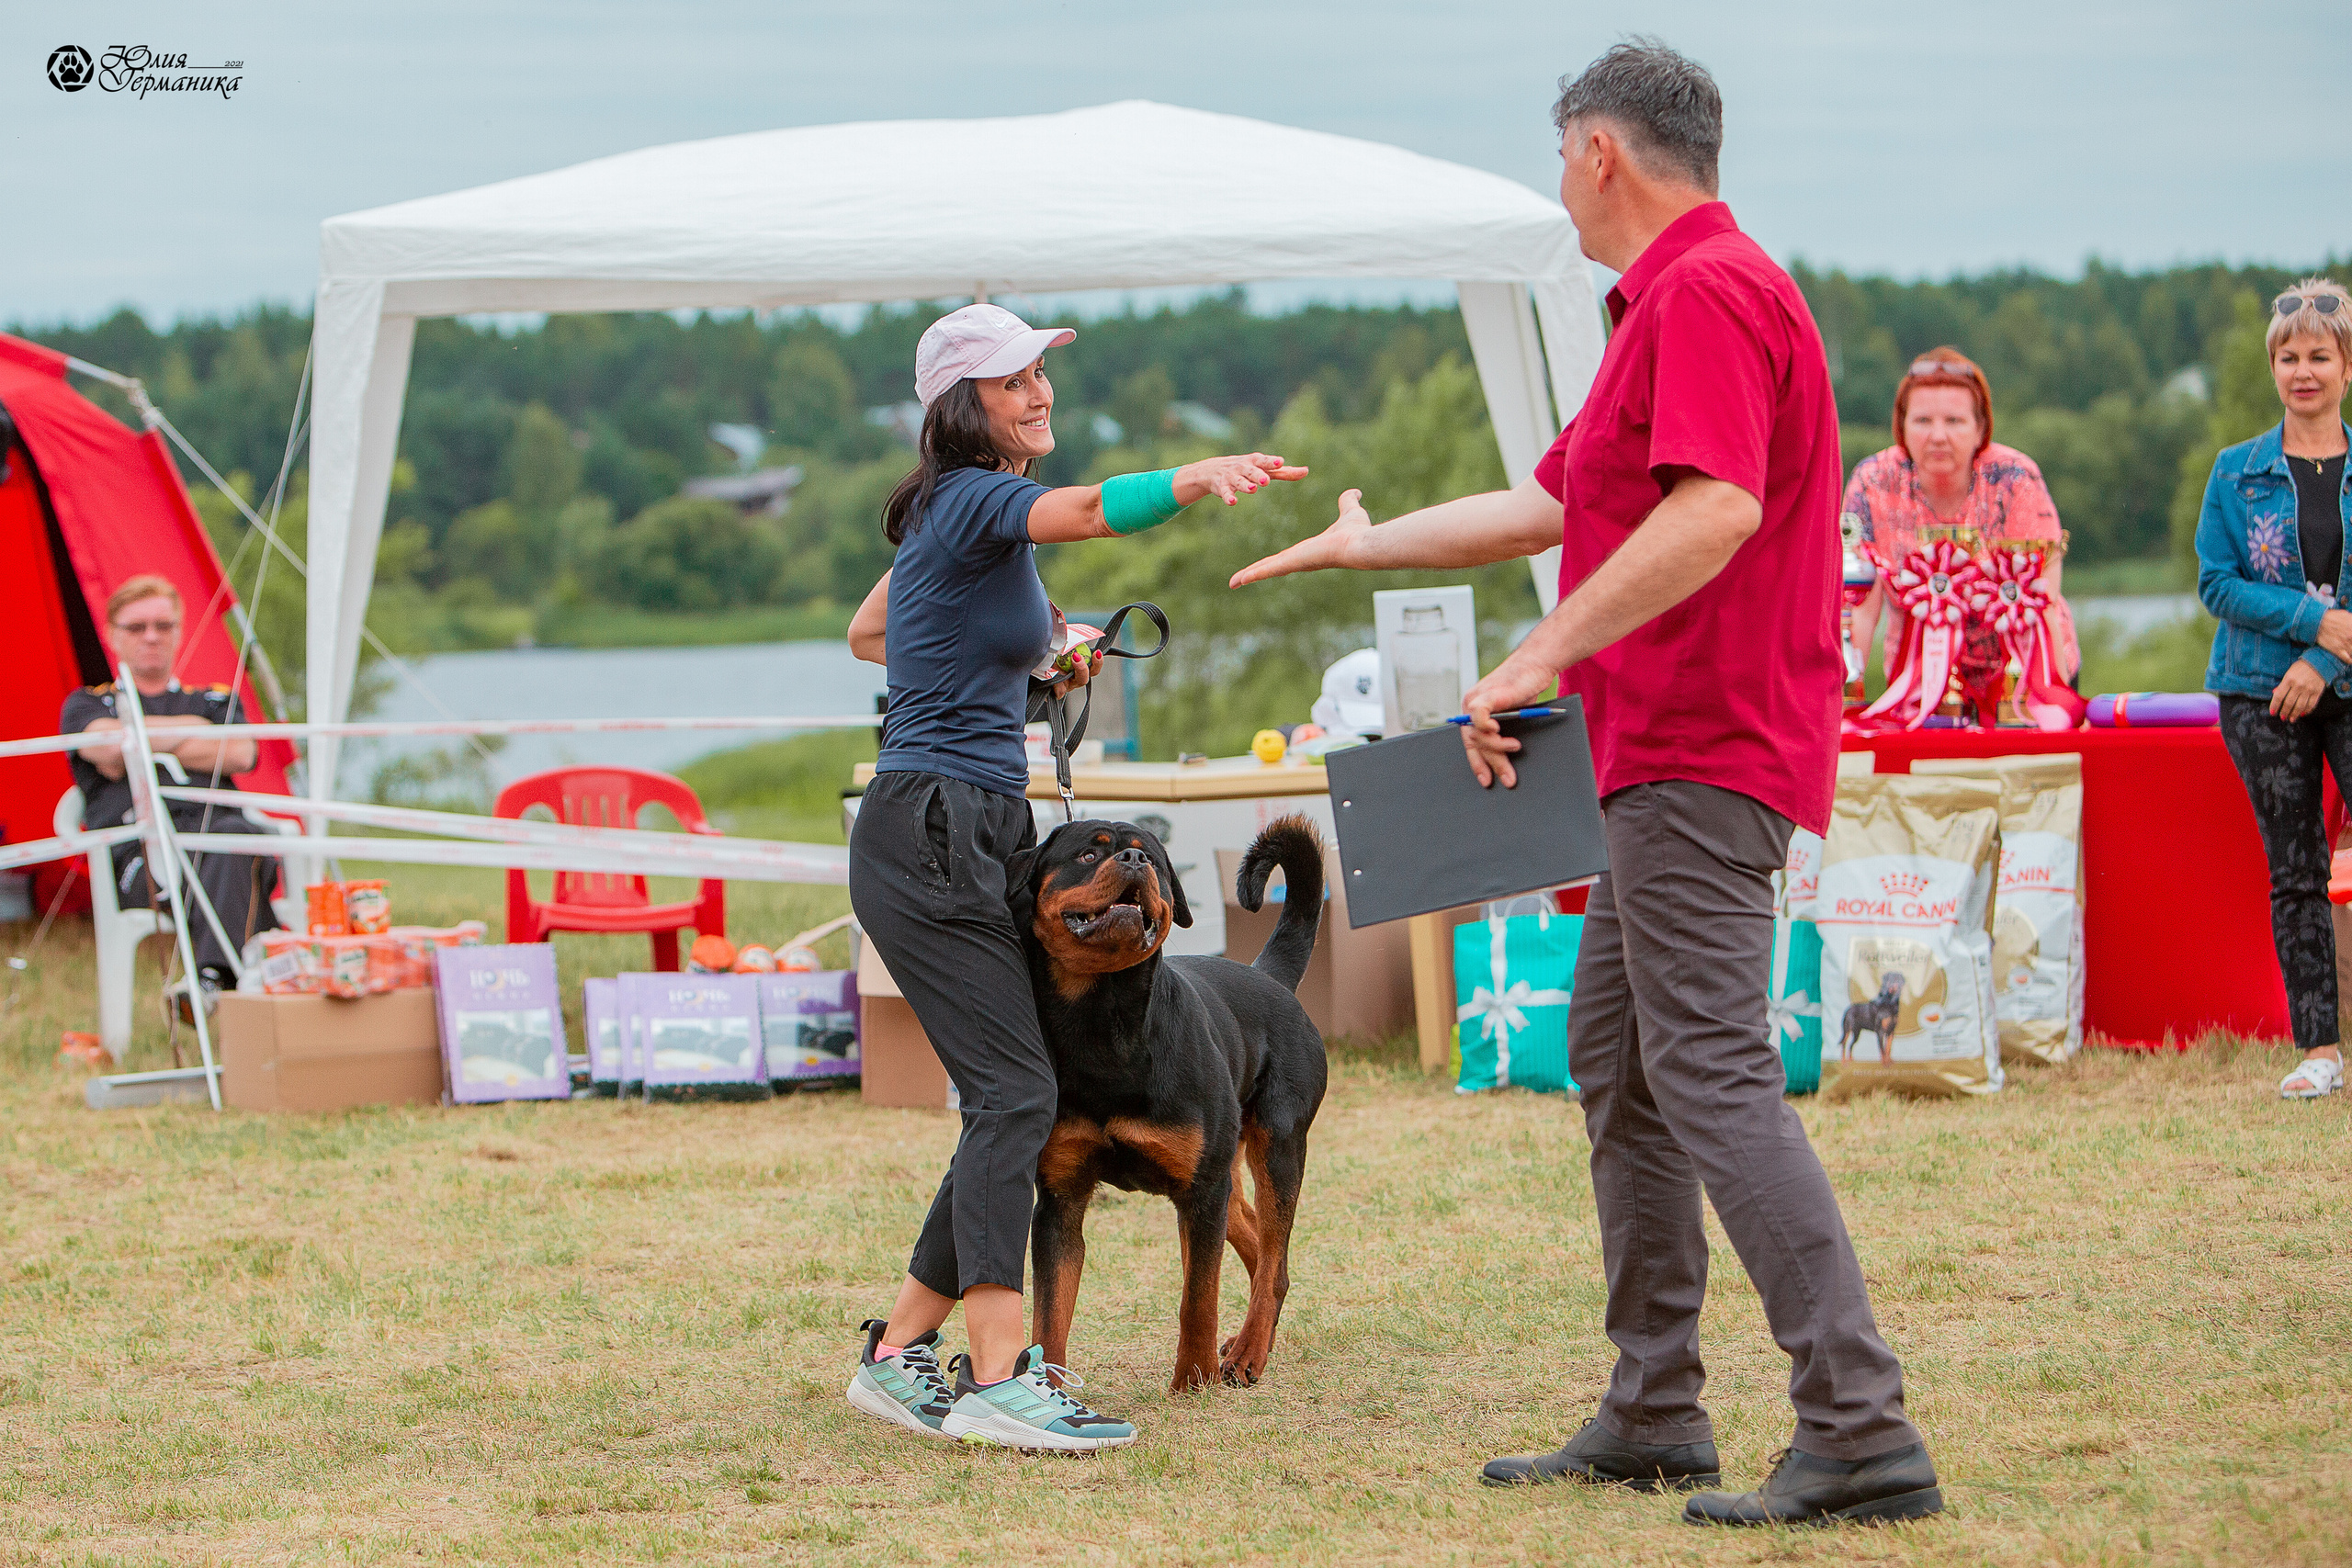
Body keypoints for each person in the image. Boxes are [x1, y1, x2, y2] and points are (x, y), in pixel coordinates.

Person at [1233, 40, 1940, 1526]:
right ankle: (1656, 1403)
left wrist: (1531, 659)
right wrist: (1367, 544)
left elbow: (1721, 508)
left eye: (1561, 155)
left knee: (1706, 1066)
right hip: (1658, 755)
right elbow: (1554, 498)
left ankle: (1858, 1421)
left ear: (1601, 150)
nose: (1557, 180)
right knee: (1618, 1057)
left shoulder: (1706, 293)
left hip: (1705, 742)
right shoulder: (1662, 312)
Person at [841, 302, 1306, 1451]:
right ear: (964, 404)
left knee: (1016, 1093)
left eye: (1042, 372)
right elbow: (1095, 507)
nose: (1038, 392)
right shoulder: (980, 496)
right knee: (1016, 1096)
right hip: (940, 829)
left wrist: (1030, 654)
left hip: (966, 825)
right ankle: (1000, 1379)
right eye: (1013, 380)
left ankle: (900, 1356)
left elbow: (869, 631)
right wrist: (1190, 479)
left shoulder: (960, 521)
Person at [2196, 277, 2352, 1100]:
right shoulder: (2235, 472)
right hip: (2259, 694)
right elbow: (2217, 584)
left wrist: (2324, 659)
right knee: (2294, 869)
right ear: (2273, 366)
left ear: (2346, 366)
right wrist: (2310, 621)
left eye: (2319, 355)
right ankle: (2320, 1049)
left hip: (2337, 681)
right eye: (2289, 356)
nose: (2303, 370)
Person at [59, 574, 282, 1010]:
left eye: (163, 625)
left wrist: (136, 740)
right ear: (112, 635)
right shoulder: (88, 702)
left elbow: (239, 753)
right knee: (235, 850)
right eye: (137, 627)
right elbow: (103, 746)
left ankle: (211, 979)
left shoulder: (215, 700)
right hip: (141, 855)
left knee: (236, 840)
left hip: (225, 838)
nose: (151, 637)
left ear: (179, 631)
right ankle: (228, 976)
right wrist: (195, 735)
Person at [1843, 348, 2079, 685]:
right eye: (1923, 420)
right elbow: (1859, 609)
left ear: (1981, 429)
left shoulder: (2016, 480)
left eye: (1954, 421)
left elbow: (2043, 604)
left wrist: (2053, 705)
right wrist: (1845, 707)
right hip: (1916, 684)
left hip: (2022, 678)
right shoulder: (1872, 482)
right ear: (1901, 426)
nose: (1938, 436)